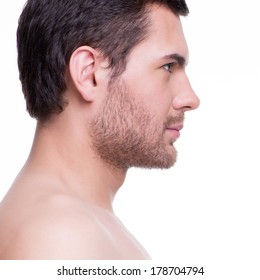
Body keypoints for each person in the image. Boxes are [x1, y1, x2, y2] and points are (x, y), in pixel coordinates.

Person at [0, 0, 199, 259]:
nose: (191, 98)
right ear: (89, 73)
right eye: (168, 67)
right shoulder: (59, 235)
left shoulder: (80, 223)